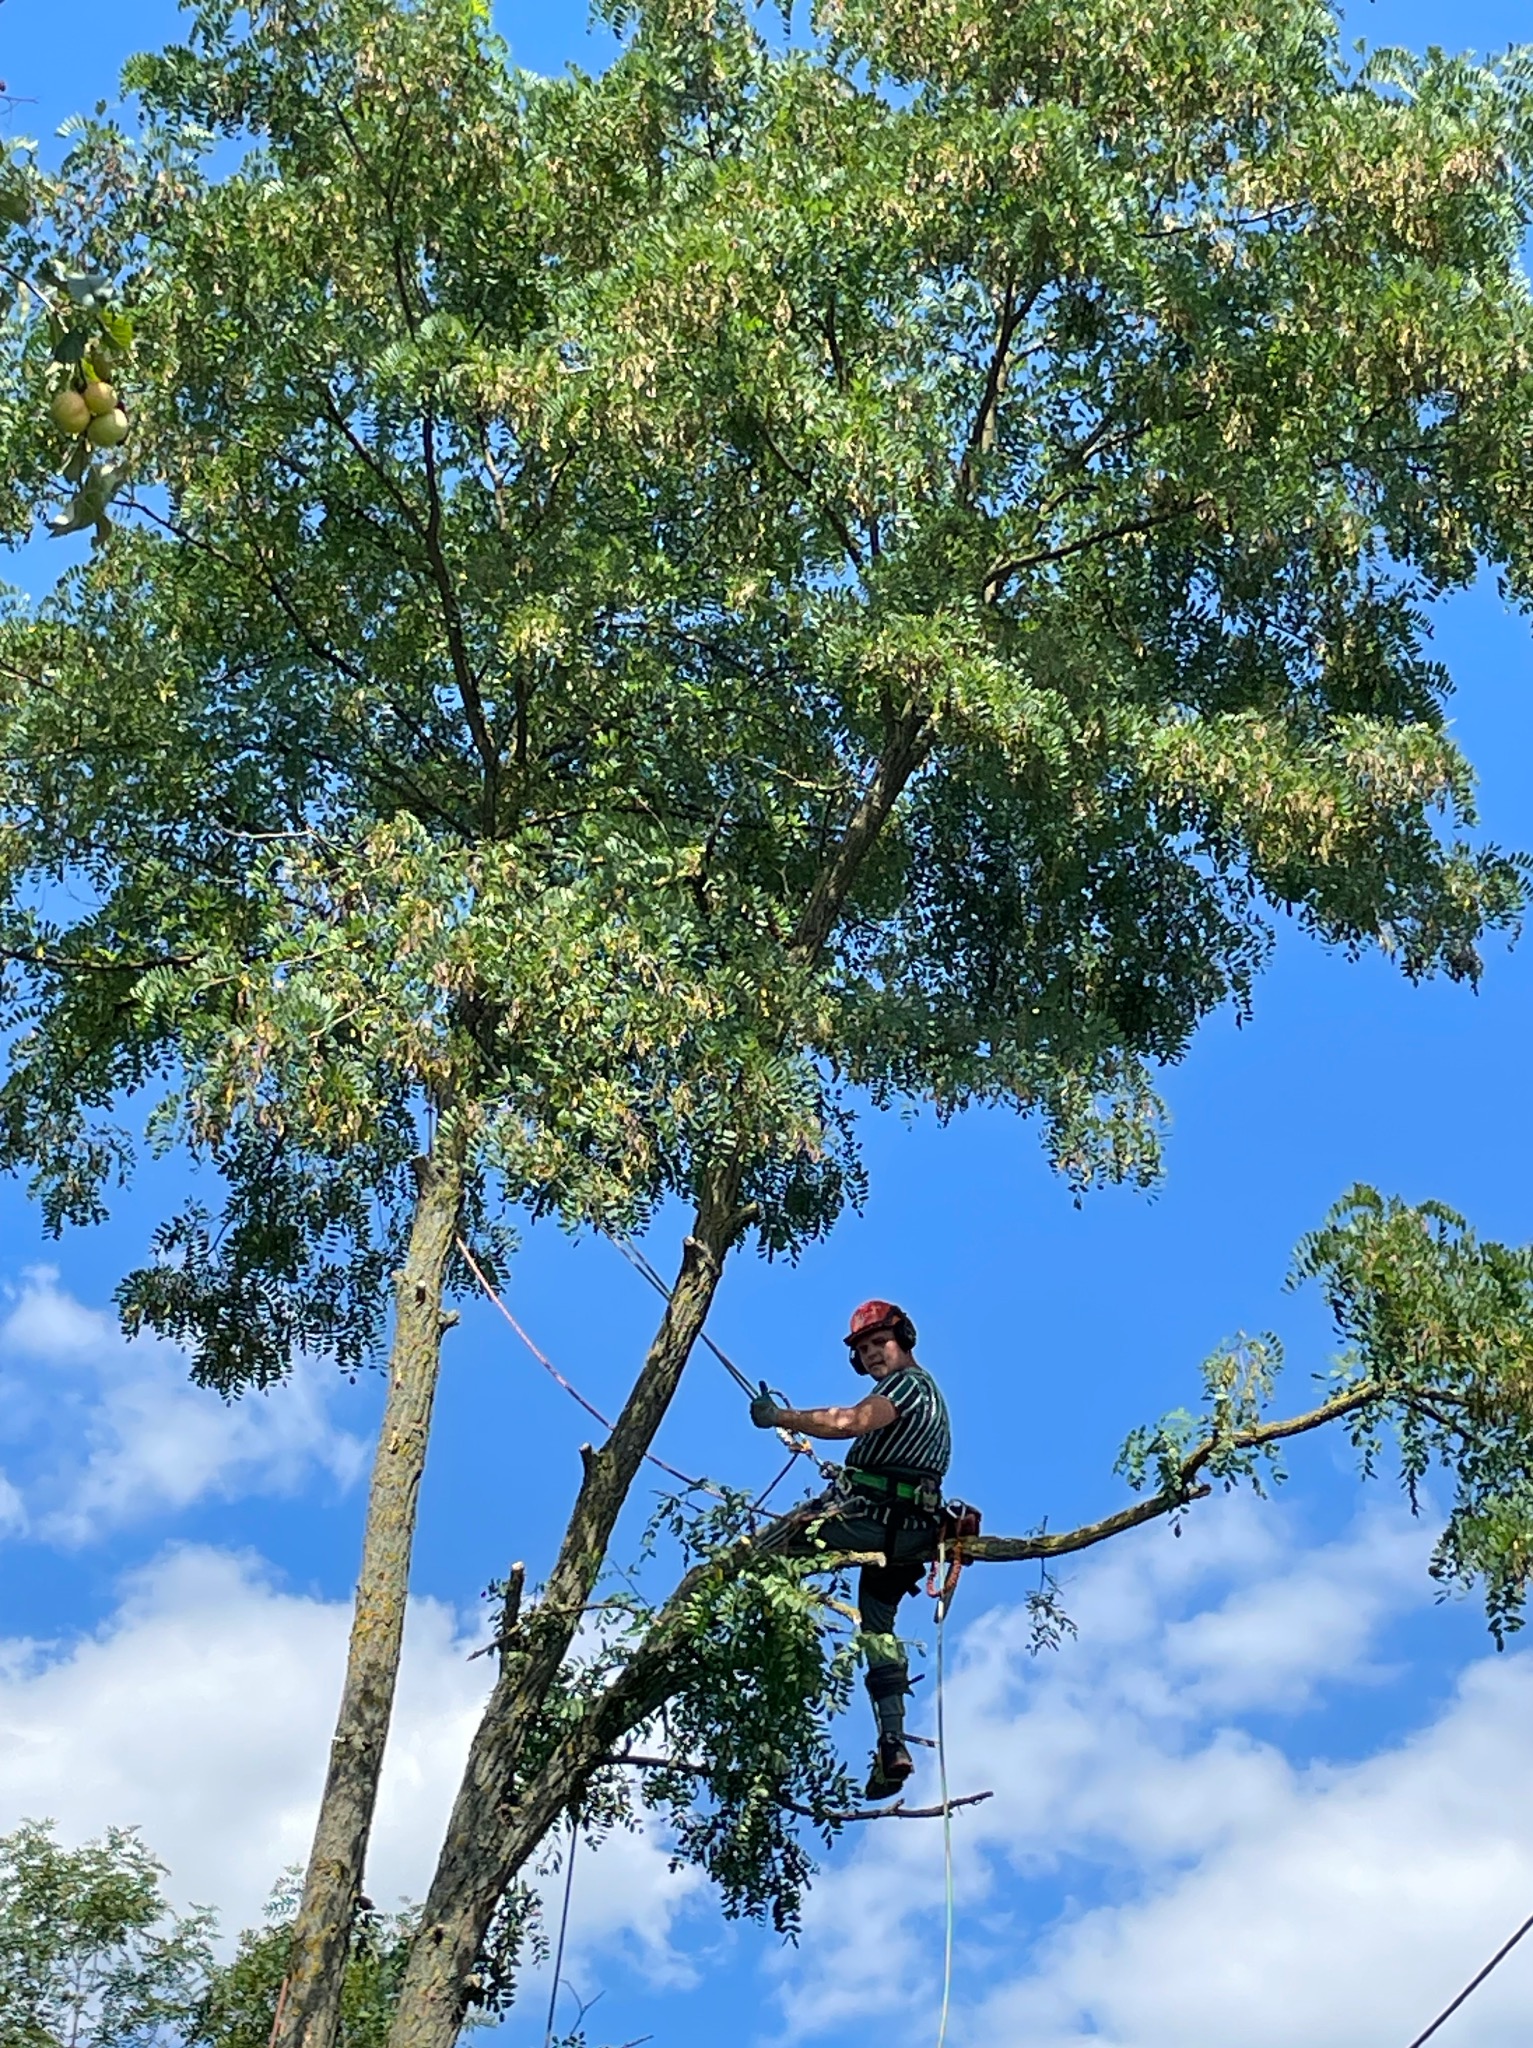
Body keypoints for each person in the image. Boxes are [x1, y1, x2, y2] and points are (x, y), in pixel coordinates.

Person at [750, 1298, 951, 1801]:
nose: (872, 1355)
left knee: (766, 1552)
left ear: (902, 1338)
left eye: (878, 1343)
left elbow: (852, 1421)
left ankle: (774, 1708)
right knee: (877, 1624)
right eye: (863, 1350)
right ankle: (892, 1741)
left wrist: (783, 1416)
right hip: (908, 1532)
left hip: (876, 1522)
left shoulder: (907, 1386)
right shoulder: (922, 1396)